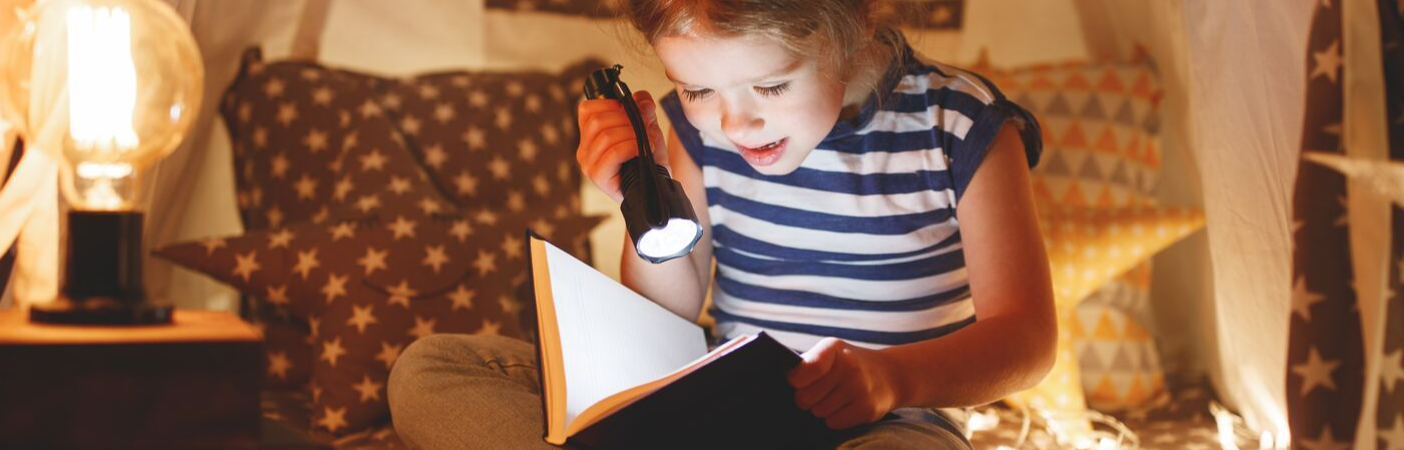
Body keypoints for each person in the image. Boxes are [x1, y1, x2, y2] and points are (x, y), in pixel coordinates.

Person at [388, 1, 1055, 448]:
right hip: (726, 414)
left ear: (847, 30)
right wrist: (638, 191)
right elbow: (665, 310)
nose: (735, 124)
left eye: (769, 87)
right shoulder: (697, 135)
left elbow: (1027, 339)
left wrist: (893, 379)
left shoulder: (959, 127)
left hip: (892, 423)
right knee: (430, 369)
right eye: (699, 90)